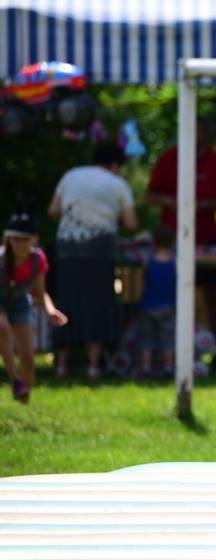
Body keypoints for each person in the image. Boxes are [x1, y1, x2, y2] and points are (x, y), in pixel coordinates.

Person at [49, 142, 137, 380]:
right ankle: (93, 366)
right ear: (115, 164)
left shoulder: (71, 175)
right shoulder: (118, 184)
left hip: (68, 250)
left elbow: (53, 210)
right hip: (99, 252)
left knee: (67, 302)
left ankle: (62, 365)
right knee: (98, 306)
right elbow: (131, 223)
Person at [147, 120, 216, 342]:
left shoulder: (214, 160)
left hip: (206, 238)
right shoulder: (168, 159)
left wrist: (198, 205)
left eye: (198, 131)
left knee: (212, 294)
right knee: (171, 295)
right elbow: (150, 196)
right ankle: (172, 346)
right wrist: (171, 201)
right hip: (173, 238)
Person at [0, 212, 68, 402]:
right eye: (16, 239)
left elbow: (40, 292)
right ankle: (15, 379)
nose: (20, 244)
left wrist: (50, 310)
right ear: (8, 239)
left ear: (34, 239)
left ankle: (23, 396)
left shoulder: (38, 260)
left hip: (21, 303)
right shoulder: (1, 259)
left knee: (28, 360)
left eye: (25, 239)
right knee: (2, 328)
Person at [137, 225, 176, 377]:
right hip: (168, 306)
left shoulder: (148, 261)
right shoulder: (174, 263)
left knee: (147, 339)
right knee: (168, 339)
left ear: (153, 242)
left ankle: (146, 367)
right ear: (173, 242)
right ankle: (168, 367)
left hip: (148, 306)